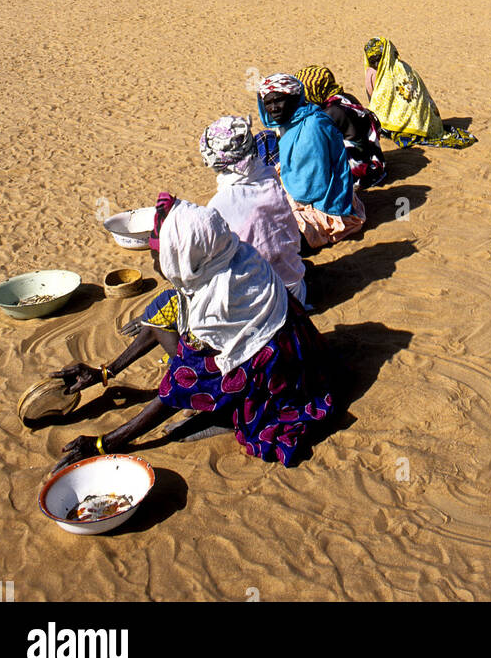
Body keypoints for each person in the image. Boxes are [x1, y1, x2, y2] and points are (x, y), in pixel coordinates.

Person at [52, 197, 334, 470]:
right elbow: (165, 315)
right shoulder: (230, 256)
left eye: (158, 255)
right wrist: (105, 372)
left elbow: (180, 384)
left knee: (192, 373)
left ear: (184, 256)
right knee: (163, 305)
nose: (153, 262)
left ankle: (224, 414)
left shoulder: (217, 306)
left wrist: (106, 442)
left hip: (278, 373)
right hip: (280, 343)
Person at [200, 115, 306, 303]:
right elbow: (293, 241)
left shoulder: (219, 205)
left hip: (261, 302)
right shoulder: (270, 180)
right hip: (295, 288)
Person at [257, 74, 366, 248]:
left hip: (326, 202)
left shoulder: (313, 126)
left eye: (278, 101)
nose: (273, 108)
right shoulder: (290, 123)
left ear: (293, 98)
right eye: (268, 103)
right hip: (302, 188)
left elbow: (312, 188)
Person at [363, 37, 477, 148]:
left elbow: (376, 103)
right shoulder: (404, 68)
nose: (374, 62)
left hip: (410, 124)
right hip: (426, 123)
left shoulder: (380, 74)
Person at [295, 65, 386, 190]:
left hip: (360, 172)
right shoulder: (345, 97)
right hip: (374, 161)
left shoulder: (331, 112)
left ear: (313, 89)